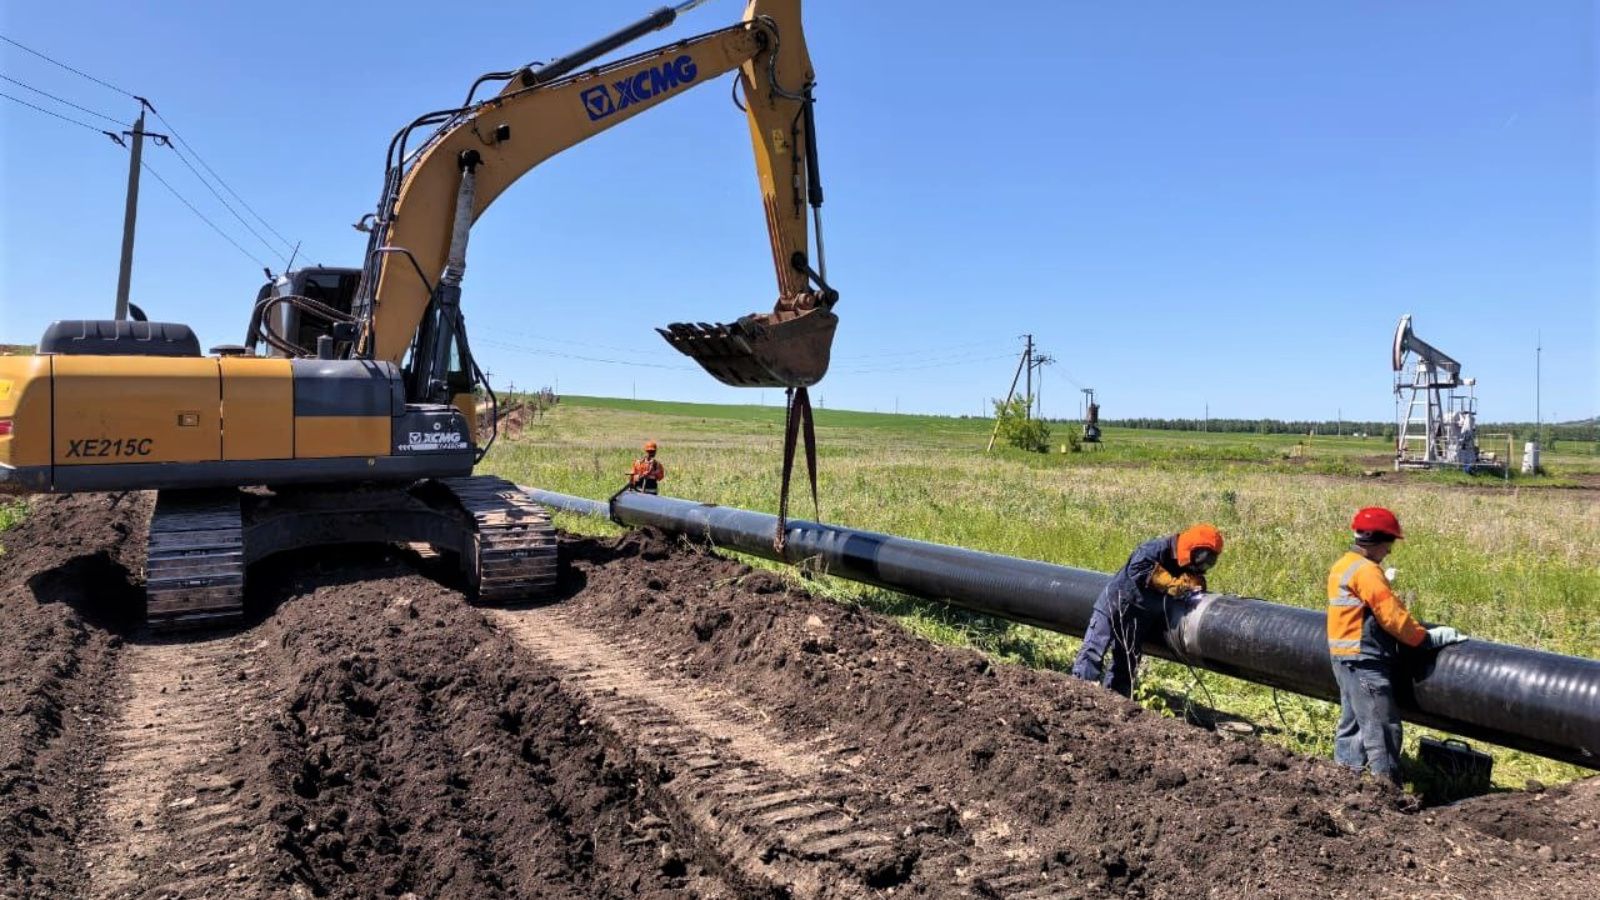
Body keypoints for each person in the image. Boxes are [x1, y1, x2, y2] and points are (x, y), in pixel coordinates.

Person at [1327, 506, 1467, 785]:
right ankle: (1386, 789)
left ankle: (1342, 783)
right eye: (1390, 542)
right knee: (1382, 726)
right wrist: (1424, 638)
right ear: (1378, 540)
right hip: (1364, 659)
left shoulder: (1343, 565)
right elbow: (1391, 616)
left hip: (1344, 656)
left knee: (1353, 724)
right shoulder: (1367, 572)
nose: (1390, 551)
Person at [1071, 524, 1224, 697]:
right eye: (1204, 558)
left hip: (1139, 616)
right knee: (1094, 650)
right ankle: (1078, 695)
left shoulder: (1187, 564)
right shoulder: (1155, 549)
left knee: (1126, 663)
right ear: (1193, 548)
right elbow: (1138, 569)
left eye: (1210, 561)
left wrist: (1195, 585)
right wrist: (1171, 584)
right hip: (1116, 604)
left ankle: (1115, 704)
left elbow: (1195, 581)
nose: (1204, 564)